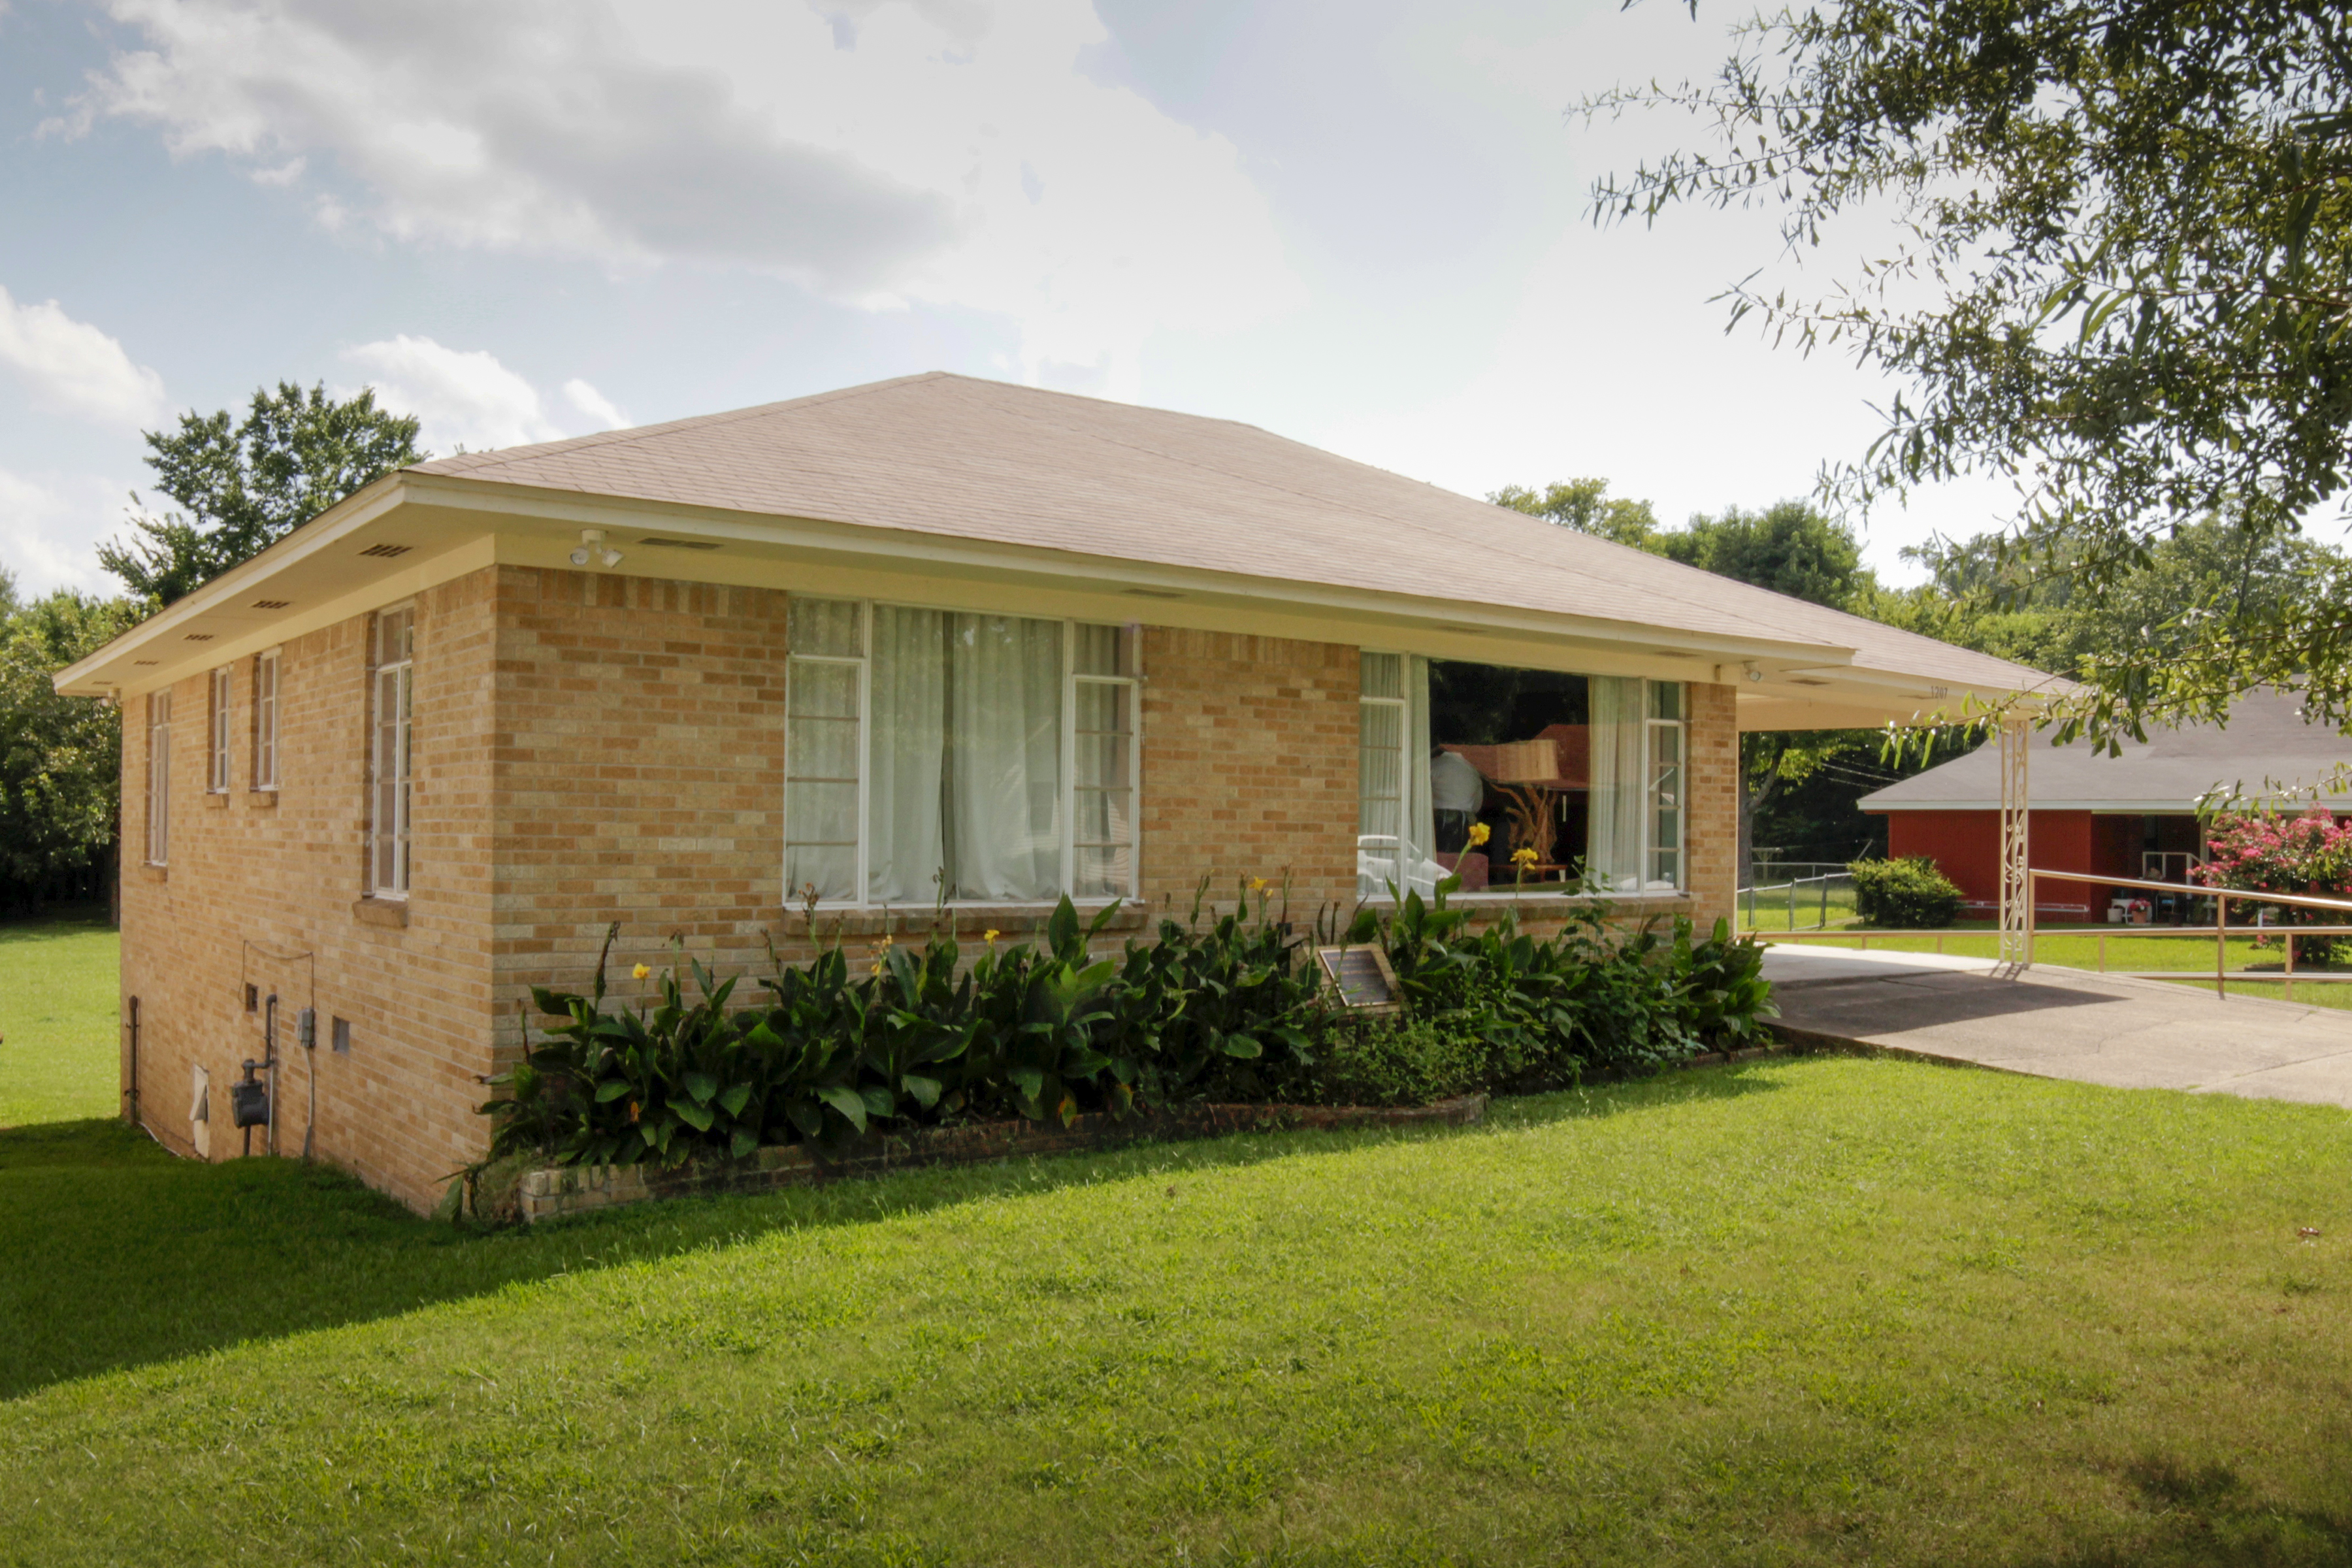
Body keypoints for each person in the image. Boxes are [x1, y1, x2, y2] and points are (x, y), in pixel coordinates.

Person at [1431, 748, 1484, 853]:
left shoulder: (1434, 765)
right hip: (1465, 821)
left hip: (1436, 819)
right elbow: (1477, 806)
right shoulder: (1472, 770)